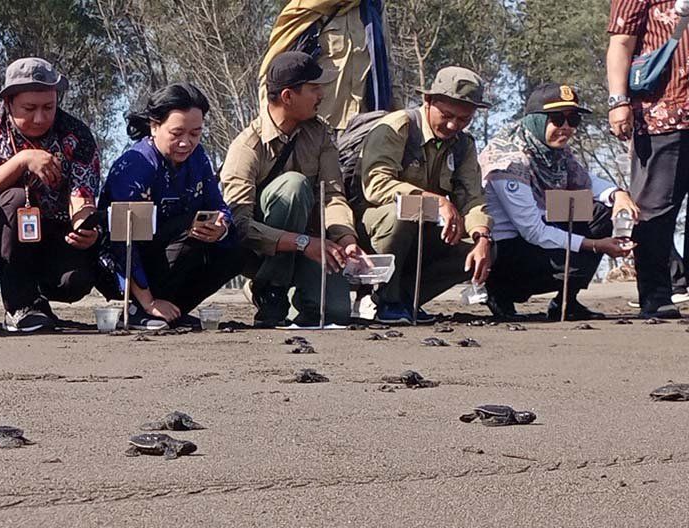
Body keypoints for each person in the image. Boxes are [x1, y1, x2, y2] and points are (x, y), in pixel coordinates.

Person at [220, 51, 366, 328]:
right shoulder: (246, 147)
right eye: (314, 88)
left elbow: (333, 196)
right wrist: (301, 242)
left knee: (334, 312)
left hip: (310, 244)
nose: (321, 95)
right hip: (260, 252)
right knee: (294, 185)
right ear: (288, 96)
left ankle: (294, 290)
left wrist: (345, 238)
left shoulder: (320, 134)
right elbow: (238, 224)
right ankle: (270, 288)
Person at [0, 58, 106, 333]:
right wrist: (22, 160)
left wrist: (84, 227)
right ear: (8, 102)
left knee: (75, 282)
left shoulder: (77, 133)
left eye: (48, 108)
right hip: (0, 229)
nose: (40, 118)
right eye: (29, 109)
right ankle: (20, 306)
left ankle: (38, 299)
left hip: (55, 231)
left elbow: (83, 194)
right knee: (15, 198)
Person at [480, 84, 640, 321]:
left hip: (538, 237)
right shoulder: (509, 161)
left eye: (573, 119)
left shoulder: (555, 153)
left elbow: (588, 181)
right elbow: (533, 231)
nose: (566, 127)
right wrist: (596, 245)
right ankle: (500, 294)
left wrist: (619, 195)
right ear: (535, 120)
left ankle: (566, 301)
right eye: (557, 118)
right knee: (579, 251)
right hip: (506, 252)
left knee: (602, 212)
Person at [98, 84, 241, 330]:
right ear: (154, 126)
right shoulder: (136, 164)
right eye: (177, 133)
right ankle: (137, 309)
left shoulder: (198, 158)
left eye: (195, 134)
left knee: (236, 248)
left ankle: (174, 310)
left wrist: (221, 226)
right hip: (126, 262)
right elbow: (120, 239)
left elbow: (218, 204)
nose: (186, 143)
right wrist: (148, 299)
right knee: (186, 236)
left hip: (173, 251)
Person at [358, 66, 493, 324]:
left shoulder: (464, 145)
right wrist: (434, 200)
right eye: (447, 115)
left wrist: (482, 236)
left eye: (464, 119)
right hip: (371, 229)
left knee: (481, 247)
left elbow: (473, 198)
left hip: (424, 232)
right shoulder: (397, 127)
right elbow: (375, 184)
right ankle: (385, 299)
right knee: (407, 211)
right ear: (428, 101)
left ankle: (407, 299)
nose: (454, 125)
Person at [607, 0, 689, 318]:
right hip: (663, 114)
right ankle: (656, 296)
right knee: (655, 209)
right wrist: (618, 100)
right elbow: (621, 42)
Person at [260, 0, 393, 131]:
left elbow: (387, 69)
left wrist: (396, 118)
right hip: (316, 130)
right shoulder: (303, 9)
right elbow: (274, 77)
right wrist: (272, 131)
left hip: (368, 124)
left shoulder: (373, 7)